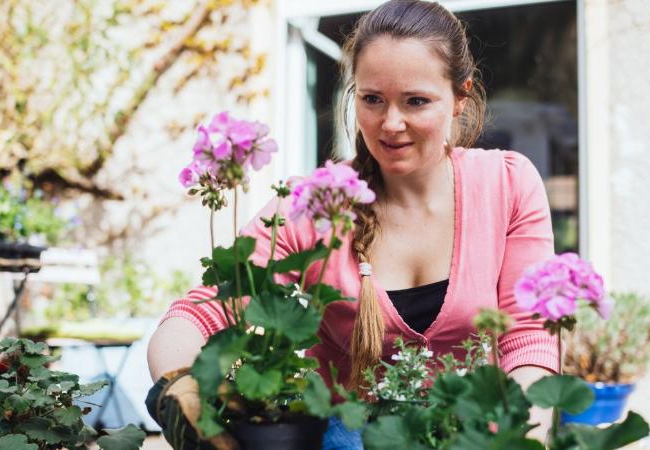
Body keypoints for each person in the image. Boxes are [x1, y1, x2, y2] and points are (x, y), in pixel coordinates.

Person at [146, 1, 558, 448]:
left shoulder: (508, 185)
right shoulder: (317, 204)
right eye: (372, 99)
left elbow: (529, 341)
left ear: (461, 96)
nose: (391, 123)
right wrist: (181, 388)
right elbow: (204, 310)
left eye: (416, 101)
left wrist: (522, 437)